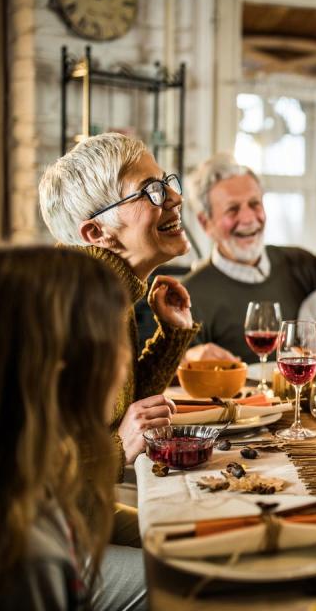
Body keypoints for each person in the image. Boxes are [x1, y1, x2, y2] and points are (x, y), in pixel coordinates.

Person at [0, 246, 145, 611]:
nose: (124, 361)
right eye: (113, 340)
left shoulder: (5, 468)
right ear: (57, 366)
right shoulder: (23, 559)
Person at [39, 133, 200, 545]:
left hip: (79, 512)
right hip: (27, 541)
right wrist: (117, 448)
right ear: (97, 232)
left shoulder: (109, 293)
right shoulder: (64, 308)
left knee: (203, 541)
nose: (173, 198)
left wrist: (171, 336)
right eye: (150, 191)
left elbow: (120, 411)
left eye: (166, 183)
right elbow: (11, 469)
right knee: (191, 581)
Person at [183, 153, 316, 362]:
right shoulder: (188, 297)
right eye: (232, 209)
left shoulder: (301, 263)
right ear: (205, 223)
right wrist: (187, 358)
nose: (248, 219)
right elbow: (167, 373)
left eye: (255, 204)